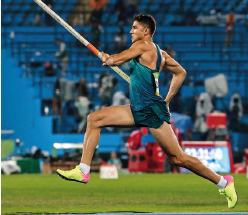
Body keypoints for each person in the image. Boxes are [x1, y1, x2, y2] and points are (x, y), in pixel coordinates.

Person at [56, 14, 237, 209]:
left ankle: (224, 183)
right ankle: (83, 170)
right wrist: (167, 99)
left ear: (146, 31)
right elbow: (181, 72)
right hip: (138, 108)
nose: (131, 31)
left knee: (178, 158)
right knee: (94, 119)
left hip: (150, 111)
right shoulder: (161, 53)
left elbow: (116, 60)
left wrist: (108, 58)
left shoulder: (142, 45)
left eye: (134, 28)